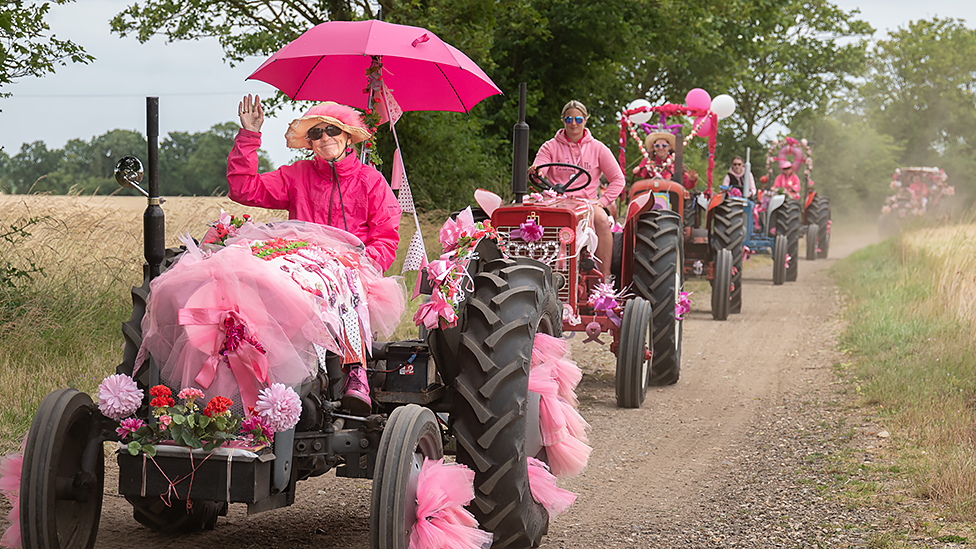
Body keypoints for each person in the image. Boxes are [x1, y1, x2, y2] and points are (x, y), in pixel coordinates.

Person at [227, 94, 402, 416]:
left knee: (343, 278)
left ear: (348, 136)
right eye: (316, 134)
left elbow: (386, 238)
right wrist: (250, 135)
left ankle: (355, 373)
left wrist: (360, 262)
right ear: (309, 143)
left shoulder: (370, 181)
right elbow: (244, 189)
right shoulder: (297, 175)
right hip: (303, 265)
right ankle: (255, 376)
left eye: (332, 131)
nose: (325, 138)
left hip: (352, 270)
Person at [529, 100, 625, 278]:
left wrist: (602, 201)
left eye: (578, 119)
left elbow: (618, 179)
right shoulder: (550, 146)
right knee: (530, 219)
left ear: (585, 120)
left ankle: (604, 276)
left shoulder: (598, 148)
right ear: (563, 120)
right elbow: (539, 168)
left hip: (586, 202)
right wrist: (538, 171)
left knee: (602, 219)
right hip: (555, 201)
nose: (574, 123)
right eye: (569, 119)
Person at [634, 131, 698, 191]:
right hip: (650, 193)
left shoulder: (676, 162)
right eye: (657, 146)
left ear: (669, 147)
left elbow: (687, 184)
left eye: (664, 146)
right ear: (653, 148)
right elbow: (639, 173)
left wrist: (692, 180)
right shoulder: (647, 160)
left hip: (671, 196)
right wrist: (638, 170)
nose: (661, 148)